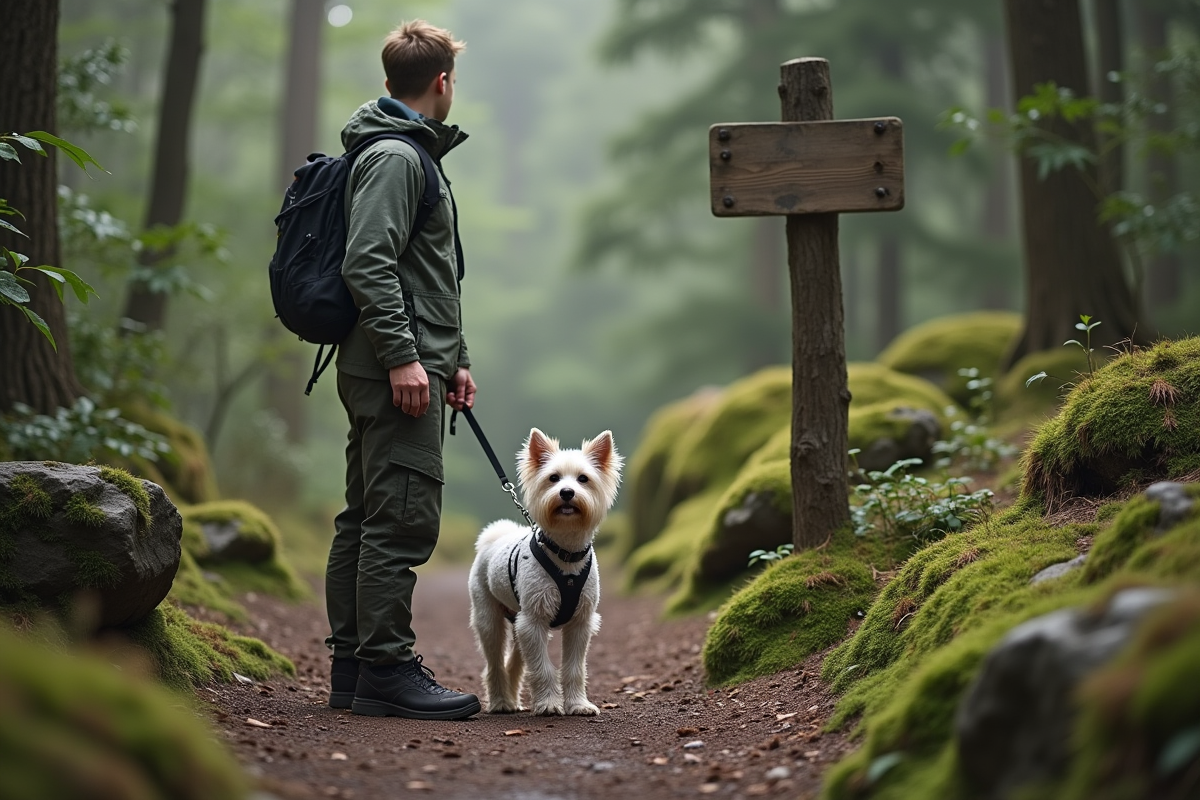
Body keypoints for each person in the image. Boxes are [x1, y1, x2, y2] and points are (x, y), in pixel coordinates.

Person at [324, 19, 480, 720]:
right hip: (391, 369)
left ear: (391, 82)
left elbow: (427, 274)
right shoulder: (398, 157)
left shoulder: (404, 152)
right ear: (442, 82)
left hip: (400, 363)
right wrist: (406, 359)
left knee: (367, 518)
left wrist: (456, 359)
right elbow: (368, 262)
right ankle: (386, 668)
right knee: (399, 521)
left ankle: (355, 671)